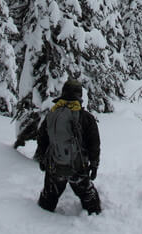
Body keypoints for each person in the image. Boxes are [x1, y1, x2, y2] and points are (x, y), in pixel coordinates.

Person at [35, 78, 102, 215]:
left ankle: (40, 221)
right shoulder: (86, 117)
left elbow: (42, 138)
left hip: (54, 167)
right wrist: (94, 165)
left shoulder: (52, 114)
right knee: (91, 202)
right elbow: (94, 144)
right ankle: (96, 221)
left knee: (47, 201)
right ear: (80, 96)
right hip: (78, 169)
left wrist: (42, 157)